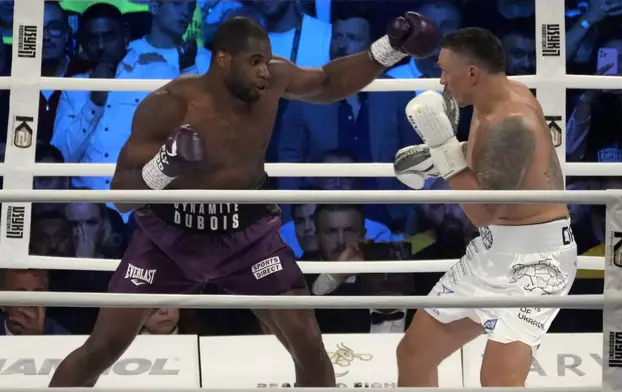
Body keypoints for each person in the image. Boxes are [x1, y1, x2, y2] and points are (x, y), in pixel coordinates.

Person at [48, 14, 438, 388]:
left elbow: (328, 82)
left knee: (309, 348)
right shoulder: (170, 104)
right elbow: (122, 195)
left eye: (267, 61)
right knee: (102, 348)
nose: (265, 71)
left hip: (248, 237)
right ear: (222, 60)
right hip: (168, 238)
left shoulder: (271, 82)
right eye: (254, 62)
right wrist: (164, 167)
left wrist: (390, 48)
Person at [393, 27, 578, 387]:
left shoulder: (514, 122)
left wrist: (443, 149)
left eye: (446, 70)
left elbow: (482, 211)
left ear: (472, 73)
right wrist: (438, 158)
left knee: (497, 381)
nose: (441, 80)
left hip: (538, 262)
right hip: (491, 252)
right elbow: (488, 164)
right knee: (414, 354)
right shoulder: (488, 102)